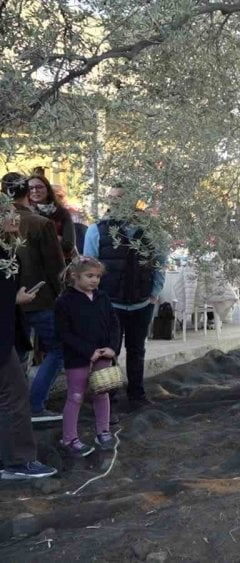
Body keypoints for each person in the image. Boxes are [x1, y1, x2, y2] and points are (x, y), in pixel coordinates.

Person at [83, 184, 165, 412]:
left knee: (137, 350)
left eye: (120, 198)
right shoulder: (96, 230)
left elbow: (160, 262)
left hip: (141, 303)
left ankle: (137, 394)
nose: (114, 202)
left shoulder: (151, 231)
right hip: (111, 303)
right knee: (110, 351)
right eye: (111, 198)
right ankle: (109, 397)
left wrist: (154, 292)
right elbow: (89, 267)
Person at [0, 200, 57, 479]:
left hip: (8, 331)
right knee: (14, 393)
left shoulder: (8, 247)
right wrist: (15, 298)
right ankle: (18, 461)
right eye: (7, 215)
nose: (14, 219)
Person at [3, 173, 66, 422]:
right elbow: (56, 268)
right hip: (40, 299)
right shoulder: (41, 224)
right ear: (26, 193)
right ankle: (35, 405)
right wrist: (63, 296)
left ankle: (17, 409)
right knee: (58, 349)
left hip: (10, 302)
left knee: (17, 354)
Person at [54, 256, 120, 457]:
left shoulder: (103, 297)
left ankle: (103, 431)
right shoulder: (64, 301)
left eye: (97, 276)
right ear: (75, 276)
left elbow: (115, 324)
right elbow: (63, 333)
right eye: (89, 276)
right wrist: (87, 351)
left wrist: (112, 347)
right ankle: (69, 438)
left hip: (103, 355)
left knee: (102, 392)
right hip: (78, 357)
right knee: (75, 396)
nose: (94, 280)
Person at [26, 174, 76, 263]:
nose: (35, 191)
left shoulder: (62, 212)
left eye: (39, 187)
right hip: (35, 265)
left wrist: (45, 237)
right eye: (30, 188)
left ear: (48, 189)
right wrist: (57, 237)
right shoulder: (26, 214)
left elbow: (68, 245)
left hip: (61, 264)